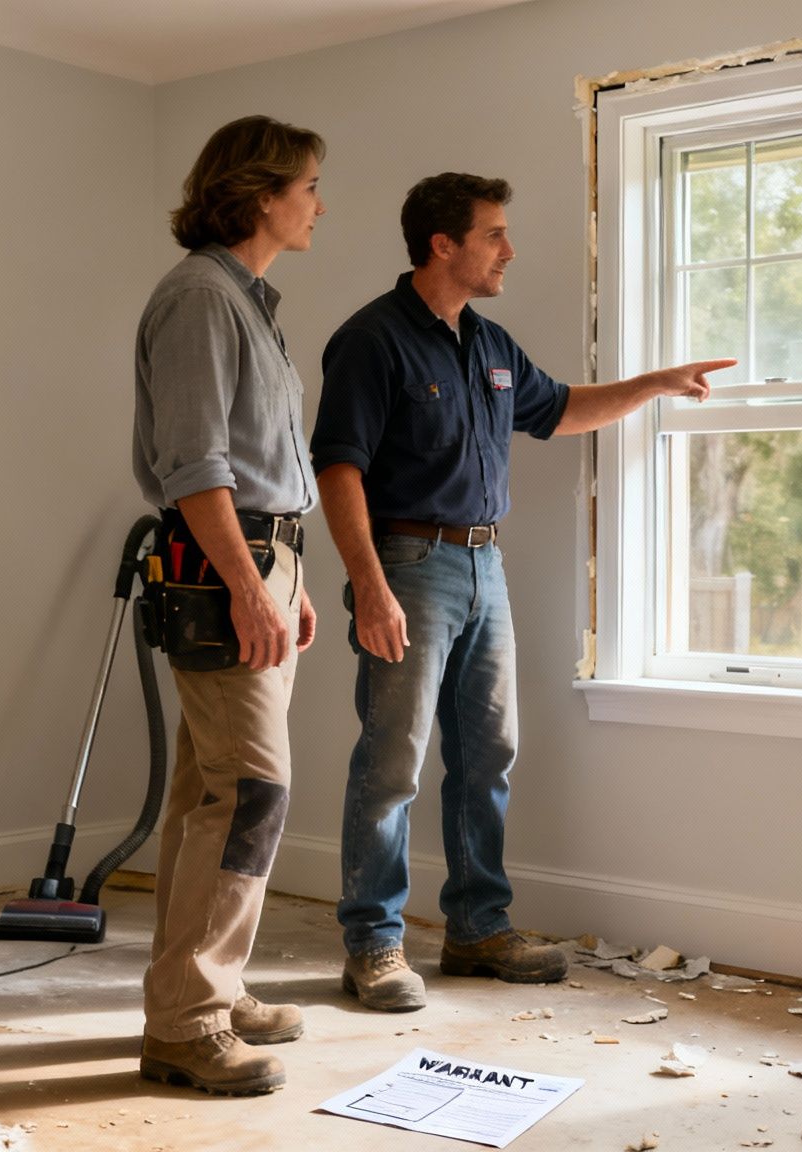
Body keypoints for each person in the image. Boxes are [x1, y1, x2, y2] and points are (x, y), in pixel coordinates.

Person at [310, 172, 732, 1011]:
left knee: (486, 754)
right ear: (444, 244)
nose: (510, 250)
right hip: (406, 563)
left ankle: (477, 928)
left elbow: (561, 409)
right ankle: (374, 945)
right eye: (494, 234)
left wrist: (653, 383)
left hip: (483, 566)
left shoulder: (491, 345)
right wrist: (368, 584)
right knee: (393, 759)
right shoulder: (372, 340)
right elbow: (339, 466)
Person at [130, 115, 326, 1094]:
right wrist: (250, 582)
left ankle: (202, 985)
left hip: (260, 558)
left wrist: (292, 574)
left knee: (206, 790)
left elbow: (265, 463)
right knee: (250, 790)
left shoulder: (248, 301)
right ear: (261, 196)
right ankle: (187, 1022)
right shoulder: (202, 299)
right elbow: (196, 464)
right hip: (223, 564)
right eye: (308, 187)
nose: (318, 204)